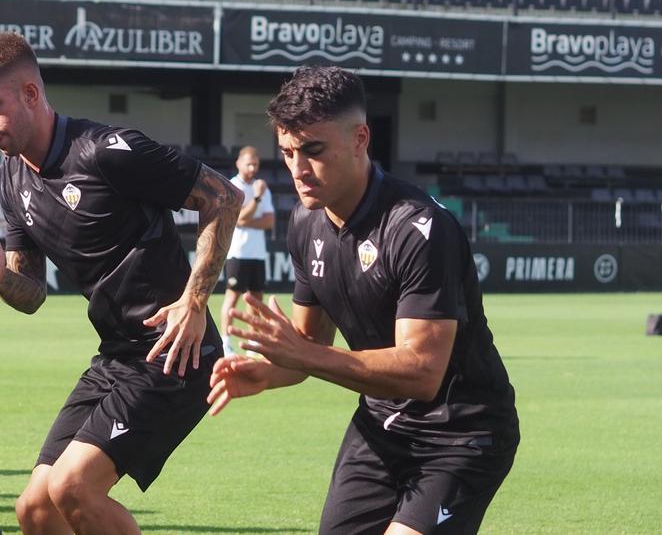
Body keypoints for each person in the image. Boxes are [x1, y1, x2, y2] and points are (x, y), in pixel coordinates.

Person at [0, 32, 243, 533]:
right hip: (115, 358)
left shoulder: (108, 151)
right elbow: (32, 294)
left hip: (174, 355)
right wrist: (0, 278)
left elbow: (224, 198)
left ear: (31, 95)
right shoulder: (11, 177)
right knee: (36, 510)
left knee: (73, 488)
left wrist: (194, 303)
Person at [207, 66, 520, 535]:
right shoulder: (304, 224)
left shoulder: (419, 230)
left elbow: (422, 372)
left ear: (360, 138)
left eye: (314, 150)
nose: (298, 169)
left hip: (462, 430)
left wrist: (304, 354)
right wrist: (270, 371)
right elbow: (309, 347)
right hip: (380, 425)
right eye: (288, 153)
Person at [219, 145, 275, 357]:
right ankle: (226, 342)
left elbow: (269, 221)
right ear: (239, 163)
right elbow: (238, 219)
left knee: (255, 300)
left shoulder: (262, 186)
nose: (253, 168)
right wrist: (257, 200)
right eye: (249, 164)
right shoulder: (233, 186)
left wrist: (247, 219)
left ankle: (253, 341)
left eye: (256, 164)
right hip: (238, 253)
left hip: (258, 253)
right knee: (232, 299)